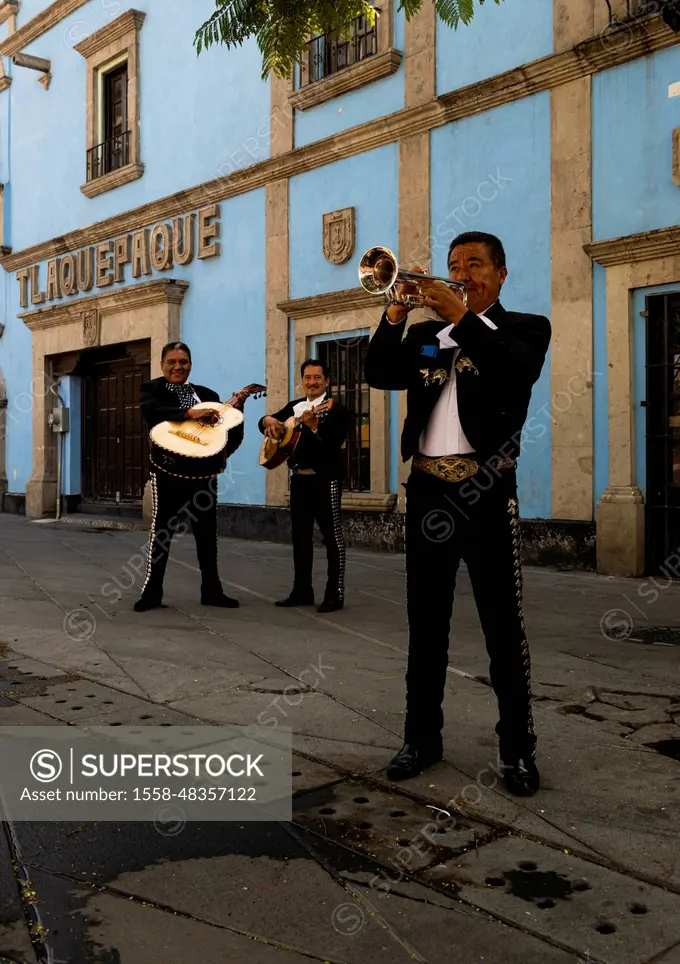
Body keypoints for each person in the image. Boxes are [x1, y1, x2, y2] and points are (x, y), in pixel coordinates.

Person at [365, 232, 551, 796]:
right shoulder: (429, 337)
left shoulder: (525, 328)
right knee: (426, 624)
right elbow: (379, 371)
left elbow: (511, 376)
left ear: (500, 274)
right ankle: (421, 739)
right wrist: (396, 309)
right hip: (427, 491)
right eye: (453, 266)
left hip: (487, 493)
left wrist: (462, 315)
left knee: (502, 626)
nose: (462, 273)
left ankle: (517, 751)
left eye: (474, 264)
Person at [135, 341, 243, 612]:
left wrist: (237, 413)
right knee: (162, 534)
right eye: (171, 362)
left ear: (190, 365)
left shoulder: (207, 394)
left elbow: (224, 432)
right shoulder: (153, 389)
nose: (177, 367)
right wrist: (189, 413)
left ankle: (212, 591)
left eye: (183, 362)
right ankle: (152, 593)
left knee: (207, 536)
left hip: (203, 477)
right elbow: (154, 414)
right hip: (167, 474)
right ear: (162, 365)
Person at [259, 359, 348, 613]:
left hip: (325, 480)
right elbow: (265, 423)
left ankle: (335, 594)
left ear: (327, 381)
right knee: (300, 538)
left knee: (333, 538)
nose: (312, 382)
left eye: (317, 377)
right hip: (299, 480)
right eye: (307, 377)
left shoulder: (336, 408)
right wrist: (268, 420)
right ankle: (302, 590)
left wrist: (314, 426)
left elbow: (334, 443)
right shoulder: (295, 406)